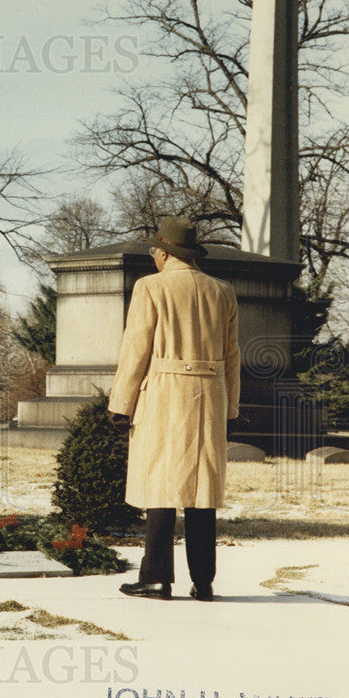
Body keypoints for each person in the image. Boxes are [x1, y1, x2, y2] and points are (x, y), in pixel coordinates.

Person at [108, 216, 240, 601]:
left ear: (164, 253)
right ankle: (203, 581)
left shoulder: (150, 288)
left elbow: (136, 348)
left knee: (160, 484)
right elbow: (232, 355)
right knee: (202, 488)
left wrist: (121, 403)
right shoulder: (223, 291)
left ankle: (156, 577)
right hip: (209, 395)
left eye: (155, 251)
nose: (153, 257)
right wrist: (231, 406)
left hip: (164, 393)